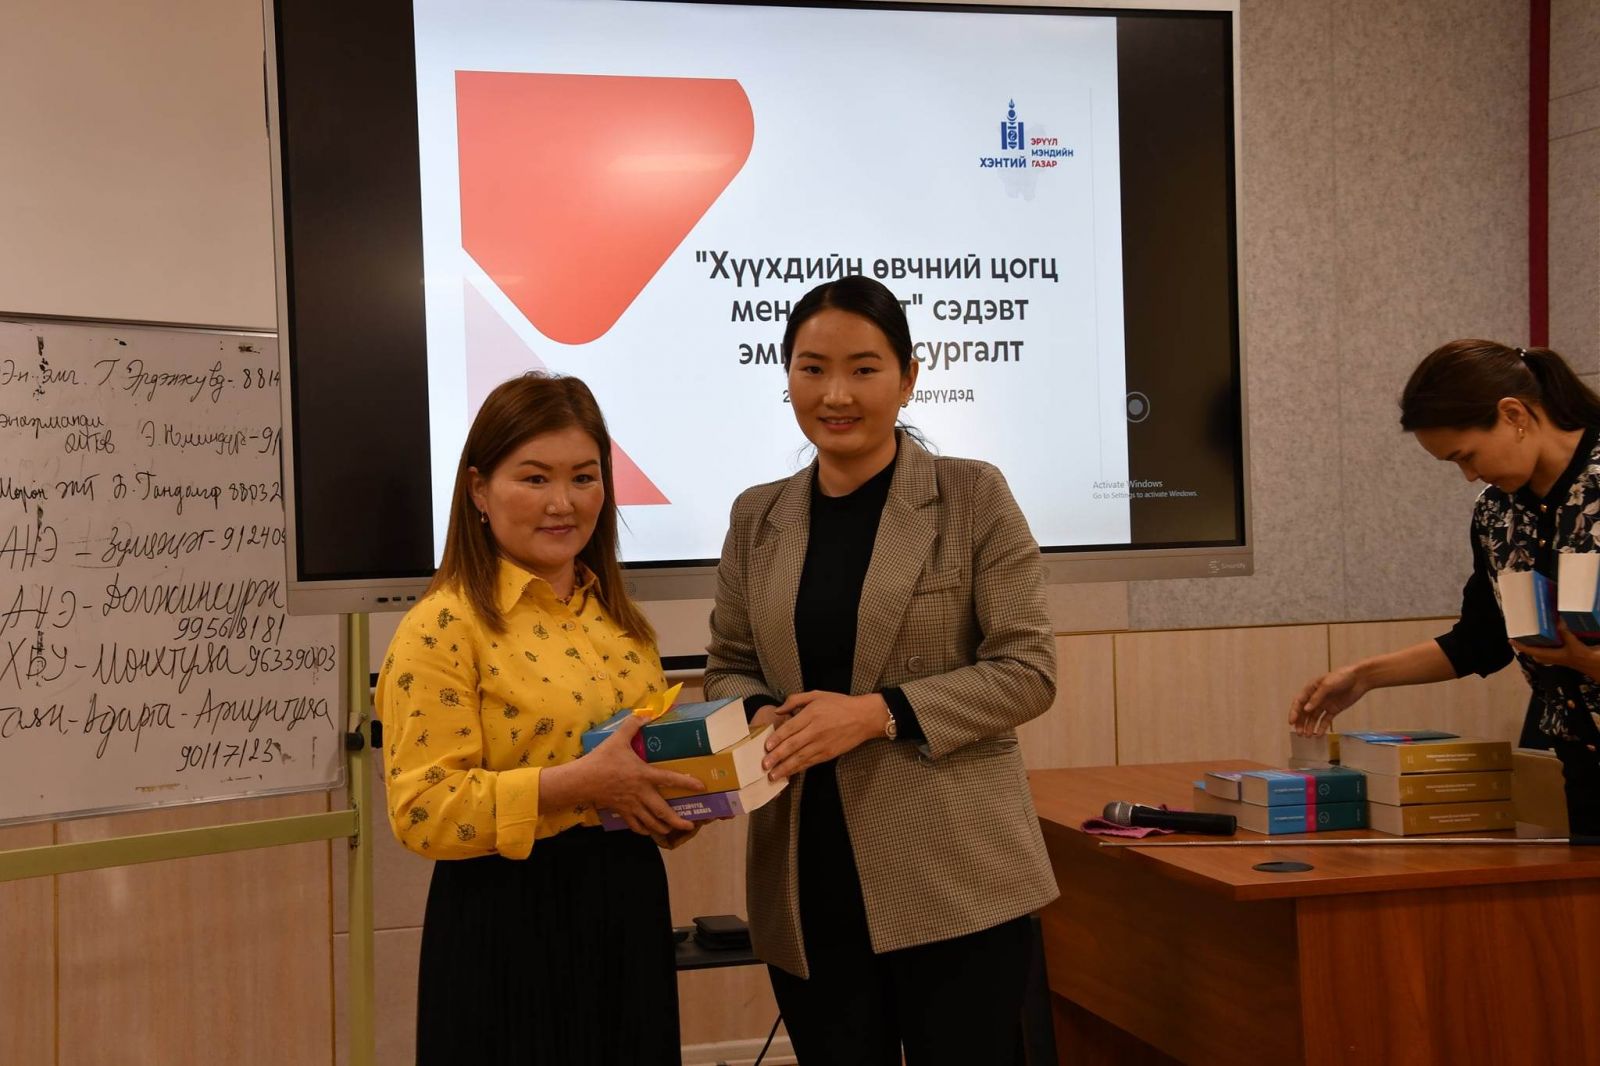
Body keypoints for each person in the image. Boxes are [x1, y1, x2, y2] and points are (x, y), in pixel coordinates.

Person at [703, 275, 1059, 1065]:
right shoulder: (757, 515)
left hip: (956, 877)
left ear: (907, 377)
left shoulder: (972, 495)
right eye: (812, 368)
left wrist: (876, 712)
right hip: (807, 877)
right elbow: (728, 666)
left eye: (863, 369)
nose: (836, 394)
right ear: (787, 375)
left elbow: (1026, 669)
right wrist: (760, 713)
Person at [374, 372, 703, 1065]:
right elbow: (423, 812)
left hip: (627, 906)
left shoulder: (619, 620)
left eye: (584, 477)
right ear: (478, 490)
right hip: (505, 922)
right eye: (534, 478)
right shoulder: (441, 626)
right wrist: (578, 785)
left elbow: (629, 770)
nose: (563, 503)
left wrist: (673, 805)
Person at [1291, 339, 1600, 833]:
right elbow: (1482, 640)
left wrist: (1587, 662)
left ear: (1514, 414)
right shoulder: (1495, 511)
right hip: (1583, 763)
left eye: (1467, 456)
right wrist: (1364, 676)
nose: (1470, 475)